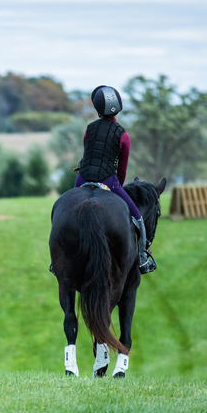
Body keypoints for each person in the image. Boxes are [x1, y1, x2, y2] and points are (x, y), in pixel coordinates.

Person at [74, 85, 156, 274]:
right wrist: (117, 185)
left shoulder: (89, 129)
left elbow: (88, 153)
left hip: (83, 177)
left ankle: (58, 260)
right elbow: (122, 169)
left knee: (66, 208)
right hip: (108, 181)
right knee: (138, 218)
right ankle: (143, 259)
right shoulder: (123, 135)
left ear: (97, 108)